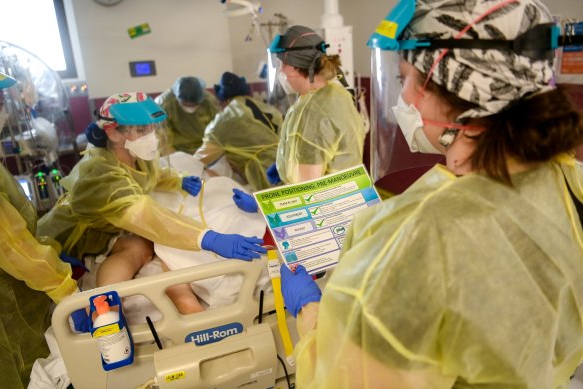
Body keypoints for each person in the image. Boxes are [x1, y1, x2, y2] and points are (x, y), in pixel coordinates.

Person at [280, 0, 583, 387]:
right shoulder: (568, 181)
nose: (406, 97)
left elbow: (346, 378)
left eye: (409, 78)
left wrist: (308, 310)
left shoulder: (423, 238)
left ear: (464, 93)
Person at [38, 92, 266, 315]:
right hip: (74, 242)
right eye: (142, 129)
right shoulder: (100, 175)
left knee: (156, 245)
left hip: (110, 229)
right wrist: (208, 238)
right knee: (144, 244)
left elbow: (153, 174)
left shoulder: (134, 156)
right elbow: (149, 218)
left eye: (152, 128)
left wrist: (179, 181)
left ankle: (189, 307)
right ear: (113, 134)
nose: (152, 135)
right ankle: (104, 312)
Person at [0, 72, 78, 389]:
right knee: (20, 370)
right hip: (7, 304)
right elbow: (14, 248)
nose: (4, 108)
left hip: (18, 286)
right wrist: (67, 290)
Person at [267, 25, 367, 185]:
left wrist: (263, 204)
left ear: (293, 67)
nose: (281, 71)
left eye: (281, 64)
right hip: (350, 198)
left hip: (327, 207)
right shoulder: (338, 94)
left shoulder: (311, 111)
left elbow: (308, 191)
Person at [194, 71, 282, 192]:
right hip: (284, 167)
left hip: (264, 175)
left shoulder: (227, 118)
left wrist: (184, 171)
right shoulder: (270, 109)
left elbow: (201, 158)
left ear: (223, 100)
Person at [155, 76, 221, 154]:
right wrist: (176, 159)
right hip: (176, 150)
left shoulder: (209, 101)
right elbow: (162, 139)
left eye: (194, 105)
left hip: (205, 147)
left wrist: (206, 154)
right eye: (186, 104)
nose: (190, 108)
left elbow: (218, 130)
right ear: (177, 98)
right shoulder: (163, 104)